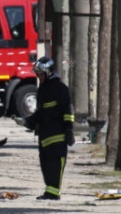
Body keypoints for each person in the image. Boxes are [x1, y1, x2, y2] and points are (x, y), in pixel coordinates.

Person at [16, 56, 75, 200]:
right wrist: (26, 122)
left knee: (55, 165)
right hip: (44, 137)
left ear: (48, 73)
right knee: (46, 166)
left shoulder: (60, 89)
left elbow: (67, 111)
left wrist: (69, 130)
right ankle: (49, 192)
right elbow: (41, 113)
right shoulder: (42, 90)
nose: (38, 76)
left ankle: (54, 194)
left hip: (58, 136)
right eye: (37, 74)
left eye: (41, 74)